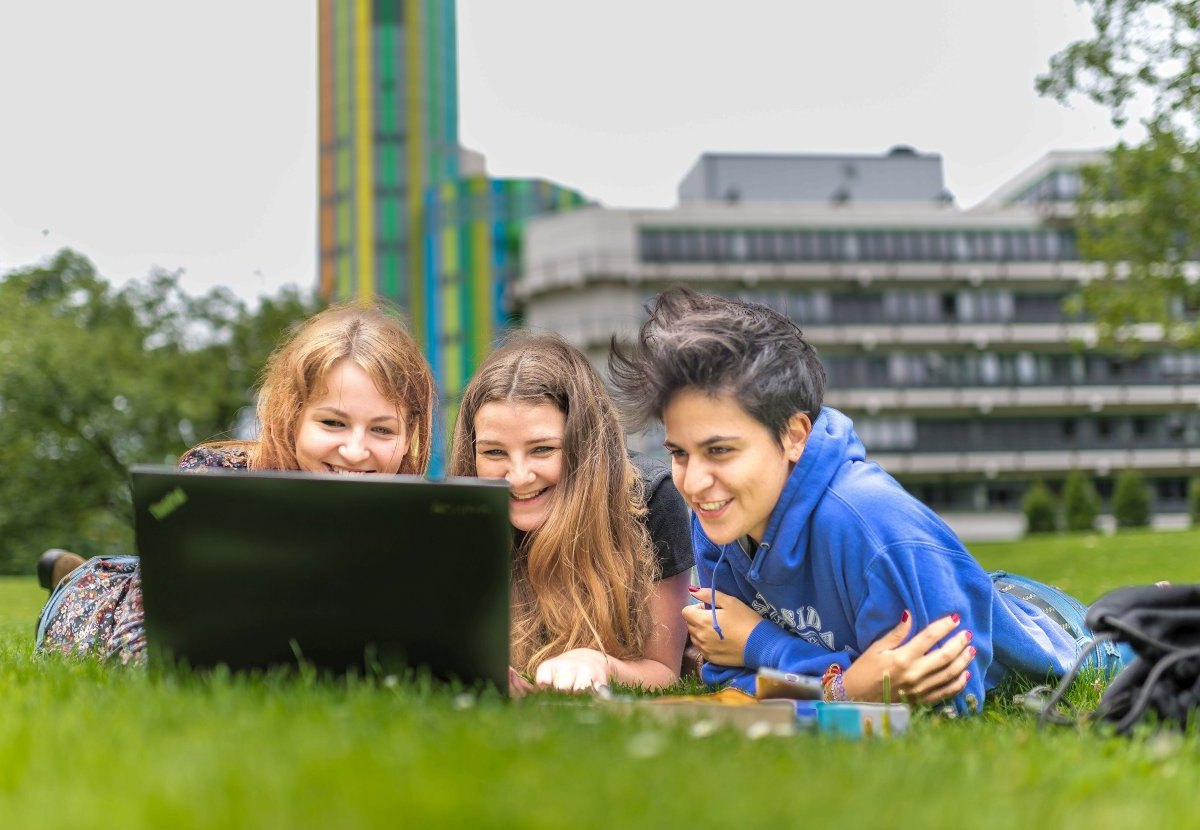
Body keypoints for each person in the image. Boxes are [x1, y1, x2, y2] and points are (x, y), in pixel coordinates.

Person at [608, 286, 1126, 714]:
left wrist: (765, 647)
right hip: (964, 594)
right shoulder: (719, 513)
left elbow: (942, 702)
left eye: (720, 451)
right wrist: (847, 683)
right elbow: (729, 682)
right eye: (679, 453)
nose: (694, 482)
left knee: (1152, 631)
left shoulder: (874, 526)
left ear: (793, 435)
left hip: (1061, 634)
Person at [36, 302, 436, 664]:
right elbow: (140, 645)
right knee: (121, 575)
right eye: (333, 422)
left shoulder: (425, 514)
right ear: (292, 415)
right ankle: (72, 572)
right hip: (98, 604)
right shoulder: (214, 477)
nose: (355, 450)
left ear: (410, 432)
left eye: (382, 430)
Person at [448, 332, 693, 695]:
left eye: (543, 449)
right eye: (494, 453)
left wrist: (599, 664)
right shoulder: (460, 511)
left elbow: (663, 670)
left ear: (583, 444)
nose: (518, 476)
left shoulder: (651, 496)